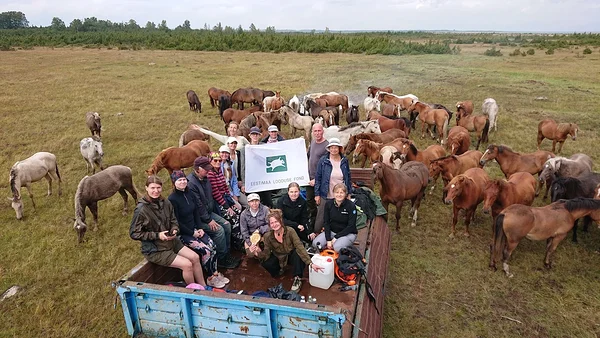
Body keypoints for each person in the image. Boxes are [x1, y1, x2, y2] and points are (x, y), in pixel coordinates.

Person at [130, 175, 205, 286]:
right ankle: (194, 292)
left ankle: (203, 287)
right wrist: (157, 235)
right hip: (155, 249)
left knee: (195, 257)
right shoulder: (141, 210)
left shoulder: (166, 202)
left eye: (158, 188)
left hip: (171, 242)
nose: (156, 191)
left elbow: (174, 220)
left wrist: (174, 229)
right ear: (146, 188)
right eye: (152, 188)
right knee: (187, 265)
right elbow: (134, 233)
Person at [168, 171, 228, 289]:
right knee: (206, 250)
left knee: (212, 245)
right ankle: (210, 277)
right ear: (174, 183)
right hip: (184, 233)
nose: (183, 182)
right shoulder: (172, 199)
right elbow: (176, 222)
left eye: (184, 179)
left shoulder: (190, 193)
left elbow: (196, 212)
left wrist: (200, 228)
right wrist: (192, 233)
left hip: (195, 228)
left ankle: (215, 273)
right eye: (179, 180)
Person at [187, 156, 240, 269]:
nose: (208, 170)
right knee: (219, 230)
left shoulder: (205, 179)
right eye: (206, 169)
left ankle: (226, 253)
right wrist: (208, 220)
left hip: (209, 212)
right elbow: (198, 206)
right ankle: (222, 259)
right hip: (200, 218)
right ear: (198, 169)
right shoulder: (191, 184)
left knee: (227, 225)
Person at [250, 209, 322, 292]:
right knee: (266, 262)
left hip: (291, 255)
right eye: (272, 223)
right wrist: (257, 252)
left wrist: (310, 263)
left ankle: (297, 278)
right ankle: (279, 272)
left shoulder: (290, 231)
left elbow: (299, 246)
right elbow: (266, 254)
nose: (274, 225)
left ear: (281, 221)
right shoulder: (267, 236)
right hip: (279, 257)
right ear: (269, 225)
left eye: (276, 221)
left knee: (298, 253)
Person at [309, 137, 352, 243]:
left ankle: (338, 237)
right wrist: (317, 194)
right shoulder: (323, 161)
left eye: (336, 148)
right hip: (326, 193)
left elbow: (348, 177)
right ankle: (316, 234)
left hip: (340, 195)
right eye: (331, 148)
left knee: (338, 216)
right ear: (328, 149)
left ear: (339, 149)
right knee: (321, 216)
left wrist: (349, 193)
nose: (333, 150)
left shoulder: (344, 161)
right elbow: (318, 177)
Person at [311, 183, 358, 252]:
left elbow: (351, 226)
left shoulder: (351, 206)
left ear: (345, 194)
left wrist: (336, 237)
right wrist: (328, 239)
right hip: (332, 231)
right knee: (316, 244)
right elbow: (326, 222)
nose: (339, 195)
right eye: (337, 192)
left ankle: (344, 245)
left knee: (337, 248)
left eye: (341, 193)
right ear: (333, 193)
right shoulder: (328, 204)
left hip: (347, 233)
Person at [306, 123, 329, 232]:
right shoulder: (313, 142)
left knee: (320, 203)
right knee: (310, 201)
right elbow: (308, 156)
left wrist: (317, 179)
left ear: (323, 131)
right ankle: (313, 221)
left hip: (319, 181)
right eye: (315, 131)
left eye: (319, 131)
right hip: (309, 179)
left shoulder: (326, 146)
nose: (317, 133)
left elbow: (327, 166)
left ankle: (321, 226)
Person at [239, 126, 261, 195]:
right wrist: (244, 183)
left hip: (262, 179)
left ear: (260, 136)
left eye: (257, 134)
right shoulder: (244, 149)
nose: (255, 136)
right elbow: (243, 167)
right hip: (250, 179)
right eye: (253, 134)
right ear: (249, 135)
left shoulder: (264, 147)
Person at [226, 136, 246, 206]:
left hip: (239, 179)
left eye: (235, 143)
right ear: (228, 144)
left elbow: (242, 166)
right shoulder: (225, 156)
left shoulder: (239, 153)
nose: (233, 145)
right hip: (230, 182)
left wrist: (242, 182)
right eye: (231, 143)